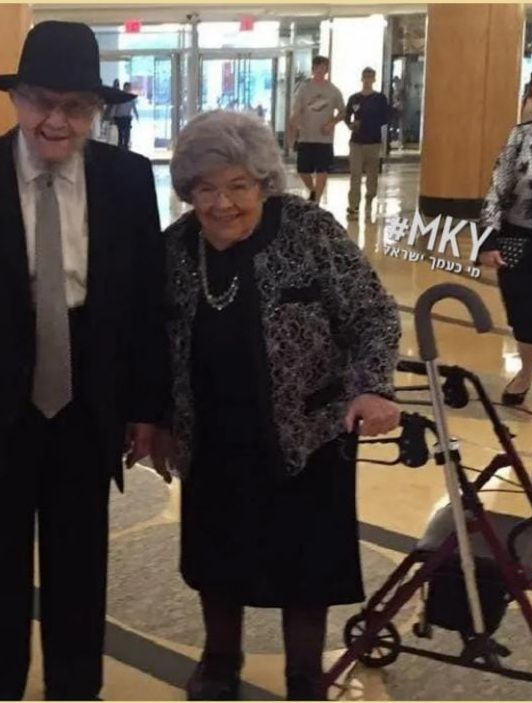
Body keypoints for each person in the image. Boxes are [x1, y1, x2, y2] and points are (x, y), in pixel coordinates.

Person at [0, 21, 169, 700]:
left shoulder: (127, 179)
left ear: (98, 109)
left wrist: (146, 405)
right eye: (42, 102)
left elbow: (146, 301)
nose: (57, 121)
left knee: (80, 560)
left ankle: (75, 689)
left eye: (76, 106)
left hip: (88, 394)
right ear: (16, 98)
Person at [155, 110, 401, 700]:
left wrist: (372, 386)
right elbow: (151, 342)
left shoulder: (308, 230)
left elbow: (373, 313)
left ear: (264, 183)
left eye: (238, 185)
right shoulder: (175, 248)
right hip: (211, 433)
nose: (222, 204)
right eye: (205, 188)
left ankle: (304, 676)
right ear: (188, 191)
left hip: (309, 431)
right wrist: (157, 420)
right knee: (217, 557)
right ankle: (220, 661)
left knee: (306, 566)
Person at [479, 69, 532, 429]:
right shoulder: (523, 136)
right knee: (527, 321)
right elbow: (499, 187)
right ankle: (525, 371)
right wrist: (488, 239)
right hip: (523, 241)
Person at [287, 56, 346, 203]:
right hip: (306, 137)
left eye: (323, 67)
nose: (320, 70)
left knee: (322, 170)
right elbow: (296, 112)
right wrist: (292, 131)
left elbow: (343, 112)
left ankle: (317, 200)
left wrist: (332, 123)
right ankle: (313, 190)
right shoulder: (304, 90)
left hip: (324, 139)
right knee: (302, 170)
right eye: (318, 67)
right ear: (313, 69)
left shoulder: (333, 90)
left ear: (327, 70)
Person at [344, 67, 390, 221]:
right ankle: (353, 205)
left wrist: (383, 141)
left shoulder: (380, 99)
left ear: (374, 79)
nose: (367, 80)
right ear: (362, 78)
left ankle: (370, 197)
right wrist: (350, 125)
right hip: (356, 142)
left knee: (372, 175)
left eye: (370, 77)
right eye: (365, 77)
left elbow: (385, 118)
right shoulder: (354, 98)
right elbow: (347, 116)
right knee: (355, 174)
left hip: (373, 142)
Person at [113, 81, 140, 150]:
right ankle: (121, 147)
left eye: (129, 88)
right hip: (119, 117)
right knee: (121, 133)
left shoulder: (130, 98)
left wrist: (137, 115)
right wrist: (111, 116)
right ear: (124, 87)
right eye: (127, 88)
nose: (128, 89)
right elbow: (115, 107)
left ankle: (125, 147)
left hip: (126, 118)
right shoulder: (120, 96)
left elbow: (134, 107)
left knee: (126, 134)